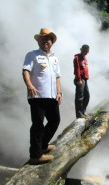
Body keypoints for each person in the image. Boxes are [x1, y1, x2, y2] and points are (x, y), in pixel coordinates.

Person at [22, 28, 62, 165]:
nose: (45, 41)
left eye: (48, 39)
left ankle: (43, 145)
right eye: (42, 39)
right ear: (38, 41)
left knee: (55, 121)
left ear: (52, 42)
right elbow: (26, 71)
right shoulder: (32, 54)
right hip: (37, 95)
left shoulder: (55, 58)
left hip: (51, 96)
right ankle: (35, 155)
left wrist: (59, 92)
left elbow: (57, 77)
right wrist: (29, 85)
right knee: (38, 125)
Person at [73, 44, 90, 118]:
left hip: (85, 79)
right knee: (80, 97)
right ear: (81, 49)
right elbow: (77, 69)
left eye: (87, 51)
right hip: (80, 79)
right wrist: (78, 79)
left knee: (87, 96)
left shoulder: (85, 59)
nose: (86, 52)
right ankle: (79, 114)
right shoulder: (77, 58)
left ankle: (83, 111)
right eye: (85, 50)